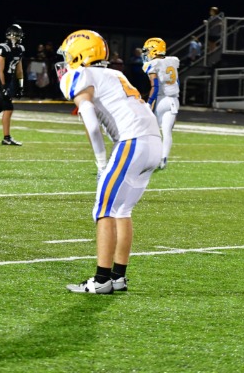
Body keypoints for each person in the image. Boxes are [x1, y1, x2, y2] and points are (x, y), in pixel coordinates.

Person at [55, 29, 162, 294]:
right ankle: (118, 277)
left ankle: (101, 280)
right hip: (152, 141)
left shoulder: (80, 75)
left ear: (79, 54)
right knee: (122, 211)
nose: (66, 61)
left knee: (103, 210)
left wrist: (101, 164)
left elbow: (92, 123)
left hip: (132, 141)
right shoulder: (116, 74)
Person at [142, 37, 179, 169]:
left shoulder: (153, 64)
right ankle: (163, 159)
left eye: (147, 50)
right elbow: (177, 82)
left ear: (153, 50)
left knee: (152, 131)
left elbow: (155, 86)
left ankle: (149, 158)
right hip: (174, 100)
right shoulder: (173, 61)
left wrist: (149, 102)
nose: (146, 54)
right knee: (167, 131)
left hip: (161, 99)